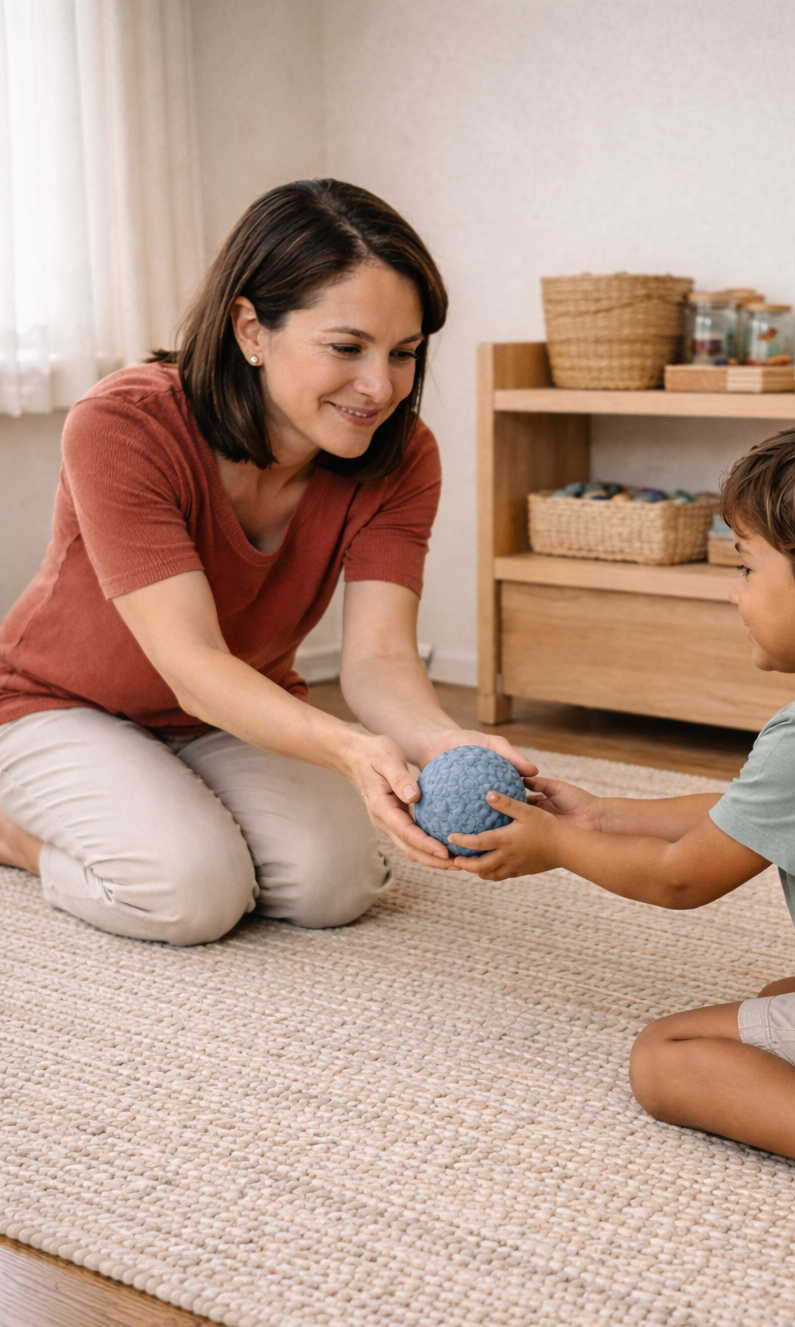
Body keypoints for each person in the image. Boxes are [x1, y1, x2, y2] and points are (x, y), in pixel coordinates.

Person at [446, 412, 795, 1270]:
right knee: (787, 989)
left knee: (668, 1054)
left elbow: (685, 879)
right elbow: (742, 810)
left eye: (747, 568)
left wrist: (559, 849)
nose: (734, 593)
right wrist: (600, 815)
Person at [0, 179, 534, 944]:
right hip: (58, 703)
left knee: (336, 883)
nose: (380, 387)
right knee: (193, 894)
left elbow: (380, 657)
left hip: (231, 711)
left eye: (404, 353)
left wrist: (439, 740)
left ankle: (168, 802)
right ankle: (14, 834)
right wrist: (350, 749)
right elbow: (189, 663)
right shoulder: (123, 426)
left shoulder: (404, 457)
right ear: (251, 328)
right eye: (346, 348)